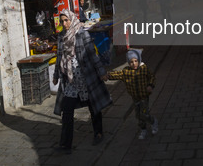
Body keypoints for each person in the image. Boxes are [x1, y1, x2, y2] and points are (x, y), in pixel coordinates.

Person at [52, 10, 111, 153]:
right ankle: (65, 145)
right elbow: (59, 57)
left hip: (86, 78)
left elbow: (92, 54)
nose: (65, 24)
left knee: (93, 107)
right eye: (62, 21)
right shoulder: (61, 37)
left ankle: (98, 133)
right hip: (70, 80)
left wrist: (101, 72)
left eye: (66, 20)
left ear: (72, 19)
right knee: (67, 111)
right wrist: (56, 75)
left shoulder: (82, 33)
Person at [107, 49, 158, 140]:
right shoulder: (126, 72)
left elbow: (152, 77)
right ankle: (143, 129)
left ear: (139, 60)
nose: (134, 64)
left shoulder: (143, 69)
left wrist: (150, 85)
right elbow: (116, 74)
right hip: (135, 97)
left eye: (135, 61)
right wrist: (106, 76)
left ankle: (153, 121)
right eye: (131, 62)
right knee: (138, 115)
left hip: (144, 96)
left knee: (144, 113)